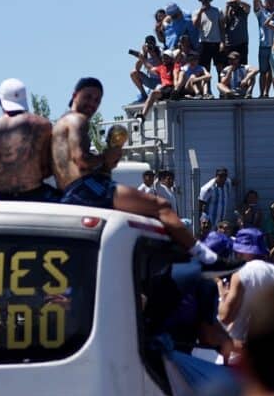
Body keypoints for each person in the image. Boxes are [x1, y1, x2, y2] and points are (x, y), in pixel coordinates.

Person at [51, 77, 215, 263]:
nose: (92, 103)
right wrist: (107, 155)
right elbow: (81, 160)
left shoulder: (61, 122)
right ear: (74, 95)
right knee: (161, 207)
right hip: (85, 189)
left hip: (73, 191)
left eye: (97, 100)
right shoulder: (76, 120)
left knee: (139, 218)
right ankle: (204, 258)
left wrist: (106, 164)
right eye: (88, 97)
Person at [0, 78, 59, 202]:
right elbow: (48, 168)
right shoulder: (43, 125)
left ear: (0, 102)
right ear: (24, 100)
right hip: (36, 195)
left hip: (3, 197)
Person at [217, 228, 274, 342]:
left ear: (240, 252)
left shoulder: (241, 273)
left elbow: (225, 317)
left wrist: (222, 293)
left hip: (245, 350)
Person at [193, 0, 223, 92]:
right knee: (206, 69)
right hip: (204, 43)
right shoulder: (197, 12)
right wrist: (201, 12)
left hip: (216, 42)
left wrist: (222, 41)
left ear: (210, 0)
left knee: (220, 68)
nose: (204, 1)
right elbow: (195, 25)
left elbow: (221, 26)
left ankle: (221, 91)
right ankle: (207, 91)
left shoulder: (217, 11)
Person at [138, 49, 177, 119]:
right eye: (163, 57)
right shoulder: (161, 68)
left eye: (166, 57)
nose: (164, 59)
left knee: (154, 93)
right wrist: (143, 59)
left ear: (171, 59)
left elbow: (177, 75)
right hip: (164, 89)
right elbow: (151, 68)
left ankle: (143, 115)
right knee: (153, 93)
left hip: (171, 88)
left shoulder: (175, 66)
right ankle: (142, 116)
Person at [129, 36, 163, 102]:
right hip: (151, 81)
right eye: (148, 44)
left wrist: (154, 54)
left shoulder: (160, 51)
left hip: (161, 81)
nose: (150, 47)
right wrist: (143, 55)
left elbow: (159, 68)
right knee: (133, 73)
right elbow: (137, 68)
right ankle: (144, 95)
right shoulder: (145, 53)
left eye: (152, 44)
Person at [221, 0, 251, 64]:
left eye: (236, 1)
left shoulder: (243, 11)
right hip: (230, 44)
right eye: (233, 1)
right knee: (228, 66)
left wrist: (238, 2)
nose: (234, 4)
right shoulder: (227, 11)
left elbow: (249, 7)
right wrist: (227, 7)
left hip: (242, 43)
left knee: (243, 66)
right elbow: (223, 22)